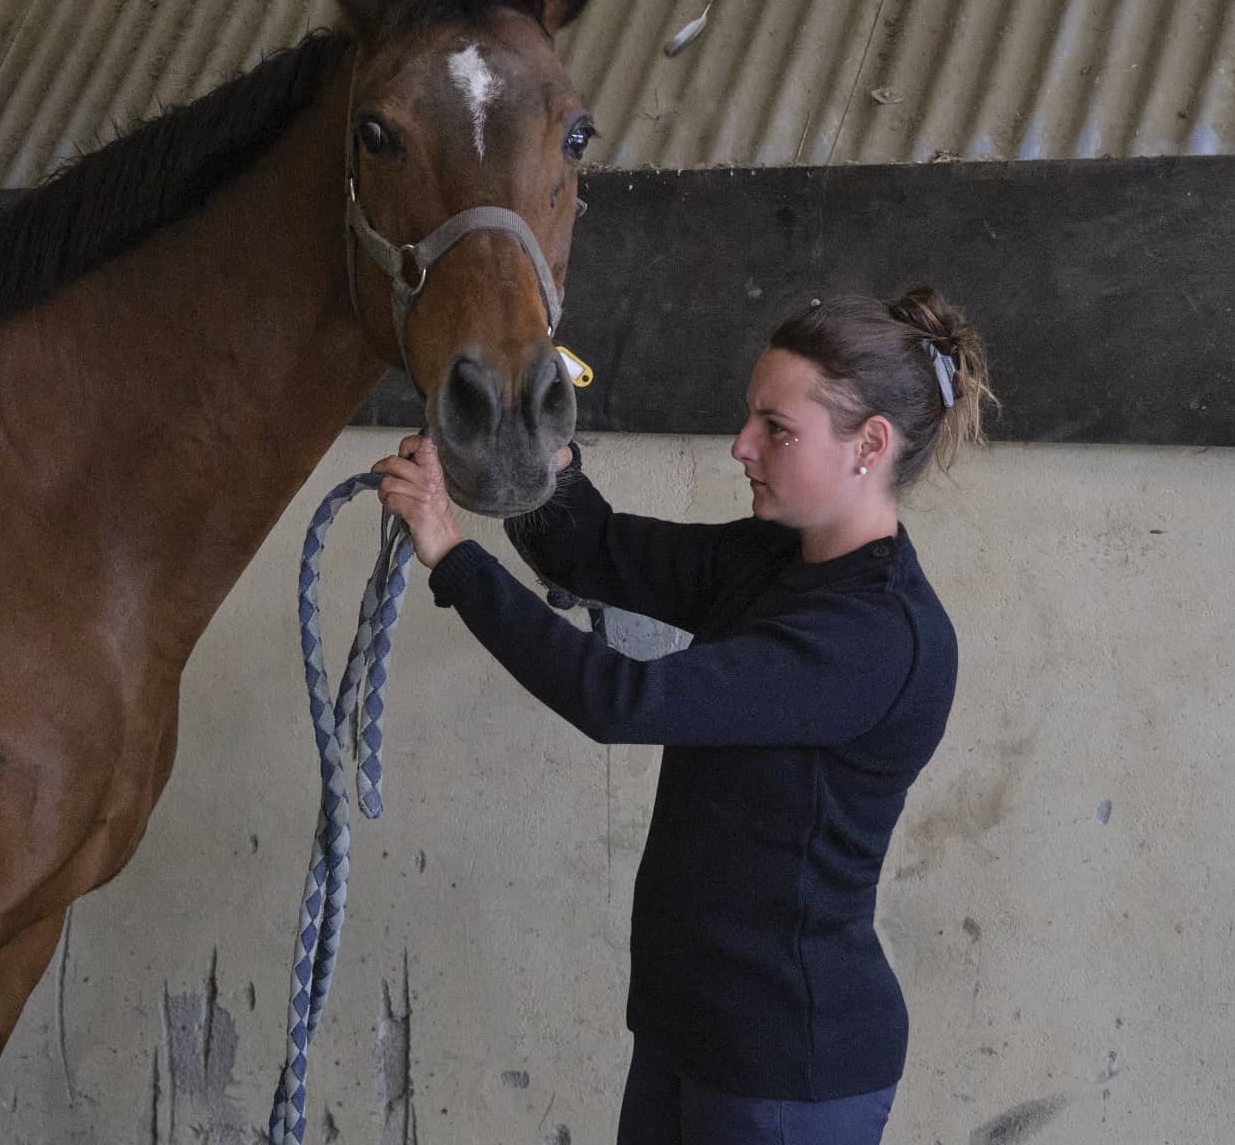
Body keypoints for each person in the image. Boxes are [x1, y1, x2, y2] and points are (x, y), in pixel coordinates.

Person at [373, 287, 995, 1145]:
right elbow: (590, 548)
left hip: (783, 1067)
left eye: (775, 429)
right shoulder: (769, 559)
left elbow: (619, 700)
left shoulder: (877, 637)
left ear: (870, 446)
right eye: (751, 418)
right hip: (689, 1031)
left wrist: (448, 550)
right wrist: (537, 436)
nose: (742, 446)